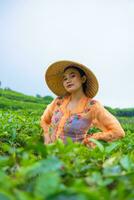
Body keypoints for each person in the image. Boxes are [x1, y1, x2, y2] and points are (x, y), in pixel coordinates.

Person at [40, 60, 125, 148]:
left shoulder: (92, 106)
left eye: (72, 76)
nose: (68, 80)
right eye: (65, 78)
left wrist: (90, 139)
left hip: (75, 157)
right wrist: (46, 136)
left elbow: (118, 132)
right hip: (50, 153)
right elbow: (44, 121)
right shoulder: (58, 101)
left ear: (83, 79)